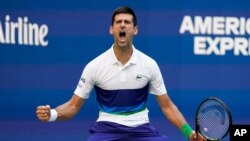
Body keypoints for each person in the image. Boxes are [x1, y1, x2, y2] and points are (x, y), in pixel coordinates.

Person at [36, 6, 206, 141]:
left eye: (127, 22)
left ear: (135, 30)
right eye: (118, 22)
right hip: (106, 129)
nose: (122, 25)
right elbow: (73, 106)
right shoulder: (94, 66)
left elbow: (167, 106)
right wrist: (51, 114)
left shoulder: (149, 64)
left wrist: (188, 133)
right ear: (111, 29)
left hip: (141, 130)